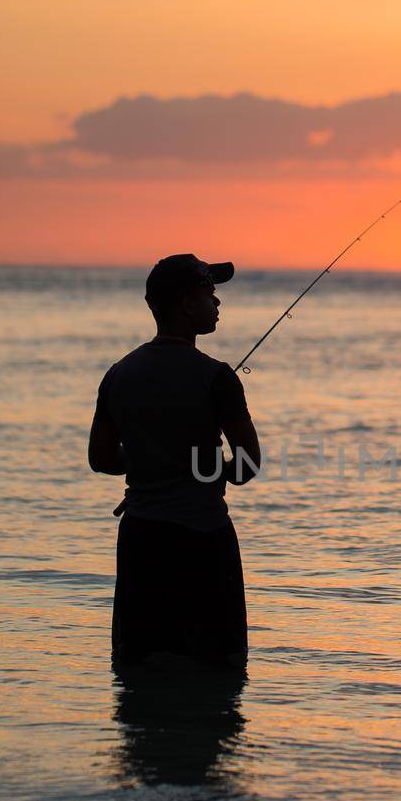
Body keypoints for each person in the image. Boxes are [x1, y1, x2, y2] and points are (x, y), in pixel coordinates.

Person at [89, 254, 261, 675]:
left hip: (141, 542)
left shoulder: (118, 374)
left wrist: (152, 459)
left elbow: (102, 458)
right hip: (204, 542)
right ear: (187, 304)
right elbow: (246, 466)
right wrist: (206, 465)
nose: (217, 303)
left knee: (138, 672)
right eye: (210, 293)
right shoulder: (218, 377)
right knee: (220, 673)